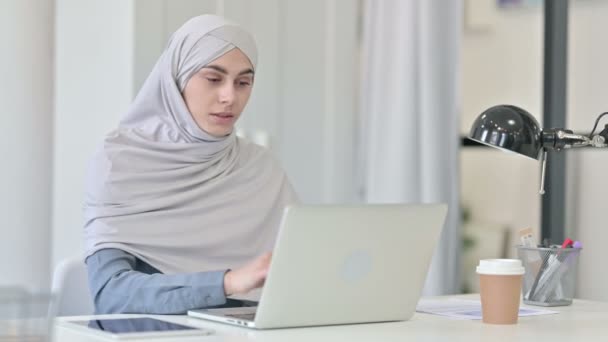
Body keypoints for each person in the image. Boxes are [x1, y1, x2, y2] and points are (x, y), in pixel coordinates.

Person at [83, 15, 298, 314]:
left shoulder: (260, 168)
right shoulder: (121, 162)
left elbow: (299, 271)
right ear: (177, 79)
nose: (229, 97)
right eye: (213, 79)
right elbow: (112, 293)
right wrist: (226, 282)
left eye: (243, 82)